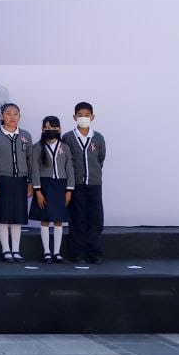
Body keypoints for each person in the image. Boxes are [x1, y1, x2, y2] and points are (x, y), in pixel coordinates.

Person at [0, 103, 33, 263]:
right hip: (2, 180)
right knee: (3, 215)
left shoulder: (25, 135)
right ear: (2, 116)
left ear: (19, 117)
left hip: (20, 180)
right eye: (8, 113)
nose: (12, 117)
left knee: (17, 216)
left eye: (15, 114)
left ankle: (16, 249)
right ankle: (6, 249)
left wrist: (30, 182)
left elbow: (30, 160)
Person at [64, 101, 106, 264]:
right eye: (80, 115)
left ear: (92, 117)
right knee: (77, 218)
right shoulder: (68, 137)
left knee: (95, 219)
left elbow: (100, 158)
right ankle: (77, 253)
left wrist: (93, 173)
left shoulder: (98, 138)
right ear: (74, 117)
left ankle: (94, 253)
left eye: (87, 115)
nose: (84, 118)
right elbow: (66, 160)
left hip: (94, 184)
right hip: (76, 185)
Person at [29, 115, 74, 263]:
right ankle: (47, 252)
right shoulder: (37, 147)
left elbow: (70, 169)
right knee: (45, 219)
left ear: (59, 129)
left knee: (59, 220)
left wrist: (69, 190)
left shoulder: (65, 147)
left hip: (61, 186)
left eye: (53, 127)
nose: (50, 130)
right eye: (47, 127)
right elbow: (35, 170)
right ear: (43, 129)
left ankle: (57, 253)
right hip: (45, 186)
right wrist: (38, 191)